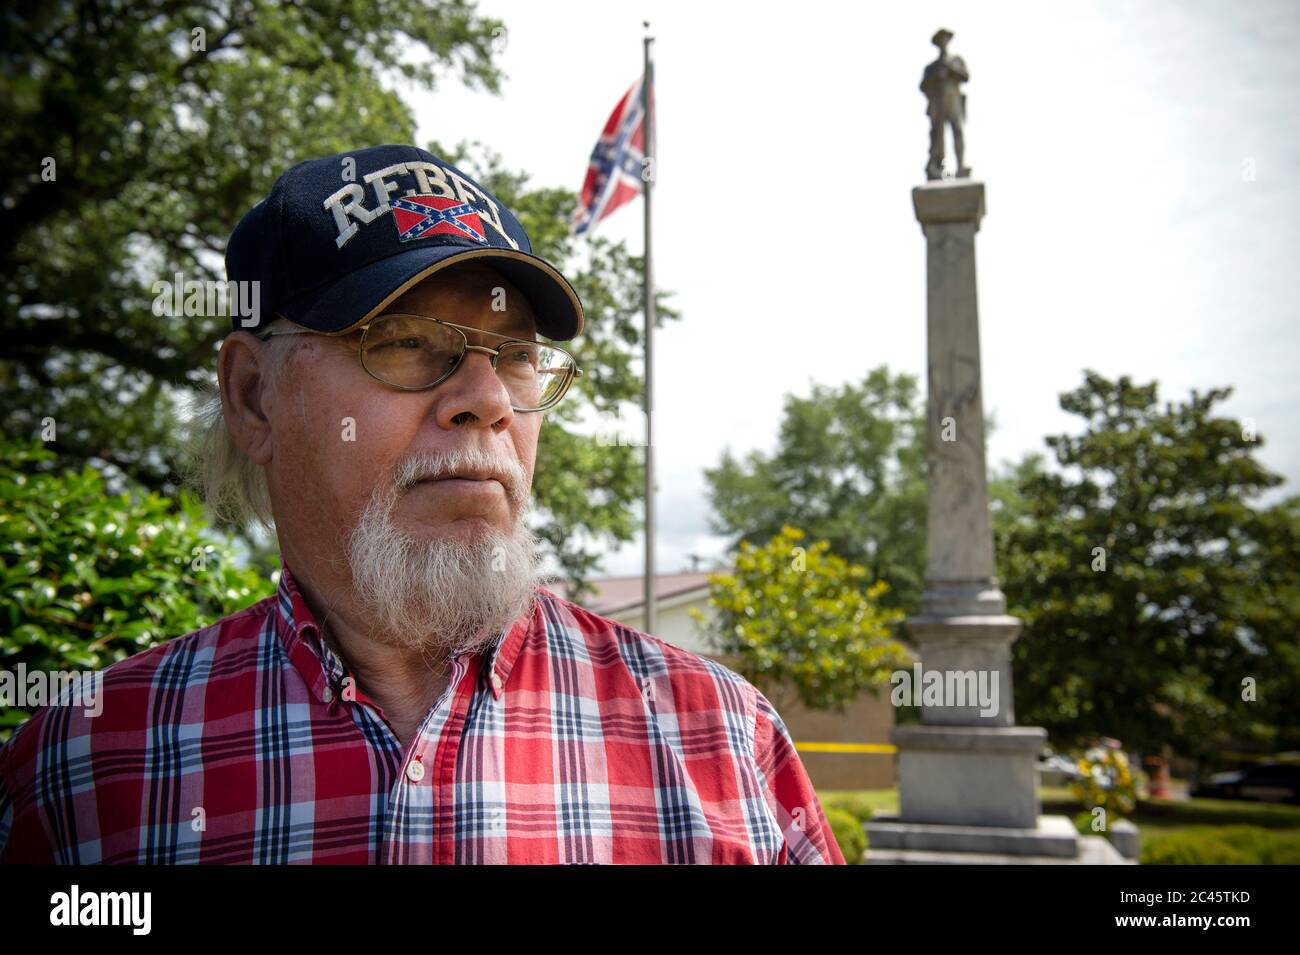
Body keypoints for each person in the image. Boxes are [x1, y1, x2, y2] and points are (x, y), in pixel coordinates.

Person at [0, 145, 845, 865]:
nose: (487, 400)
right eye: (405, 343)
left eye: (515, 356)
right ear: (254, 397)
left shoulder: (727, 742)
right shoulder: (85, 769)